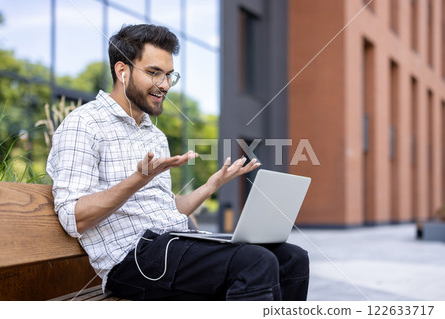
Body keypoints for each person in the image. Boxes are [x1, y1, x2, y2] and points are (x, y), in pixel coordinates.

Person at [47, 24, 309, 301]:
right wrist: (139, 179)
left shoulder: (154, 134)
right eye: (153, 73)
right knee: (255, 262)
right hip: (132, 261)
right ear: (122, 71)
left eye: (170, 75)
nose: (165, 85)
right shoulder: (84, 124)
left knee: (291, 257)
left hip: (173, 244)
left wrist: (211, 185)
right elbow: (73, 217)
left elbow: (169, 209)